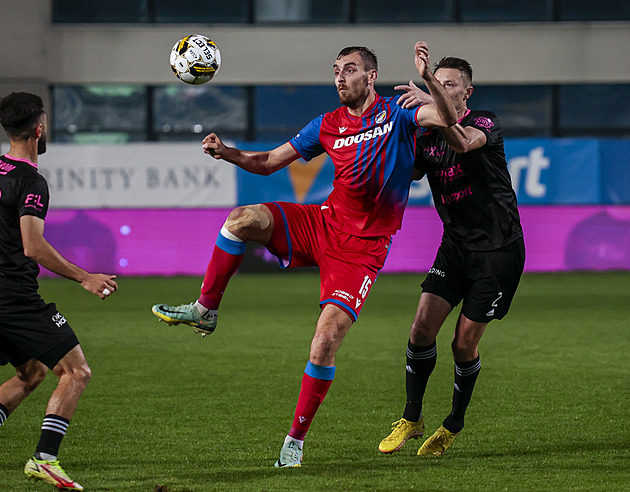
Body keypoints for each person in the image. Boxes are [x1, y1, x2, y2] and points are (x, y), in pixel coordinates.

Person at [152, 42, 458, 468]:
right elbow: (269, 162)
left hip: (363, 251)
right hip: (323, 224)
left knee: (323, 343)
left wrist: (427, 79)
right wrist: (227, 153)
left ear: (370, 77)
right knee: (241, 218)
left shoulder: (399, 111)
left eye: (349, 70)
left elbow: (447, 118)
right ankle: (206, 309)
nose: (339, 77)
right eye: (336, 70)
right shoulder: (326, 124)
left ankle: (294, 442)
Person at [378, 57, 525, 457]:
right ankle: (411, 418)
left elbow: (461, 142)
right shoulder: (428, 137)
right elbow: (403, 171)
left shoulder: (485, 124)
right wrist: (388, 130)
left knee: (463, 345)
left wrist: (427, 84)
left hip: (498, 253)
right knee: (421, 328)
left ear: (467, 92)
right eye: (439, 80)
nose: (444, 87)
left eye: (449, 84)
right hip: (456, 247)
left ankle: (453, 423)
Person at [0, 92, 118, 491]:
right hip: (13, 298)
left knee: (31, 373)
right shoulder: (30, 181)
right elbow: (33, 246)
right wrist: (84, 277)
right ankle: (45, 460)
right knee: (76, 371)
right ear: (39, 128)